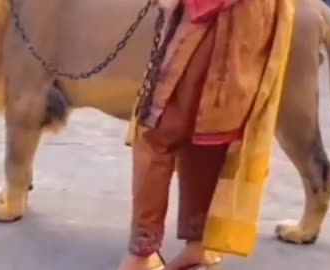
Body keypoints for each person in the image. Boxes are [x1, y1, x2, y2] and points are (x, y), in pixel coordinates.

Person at [118, 0, 296, 269]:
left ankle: (142, 255)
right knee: (208, 133)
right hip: (255, 22)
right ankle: (199, 247)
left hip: (217, 20)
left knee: (157, 134)